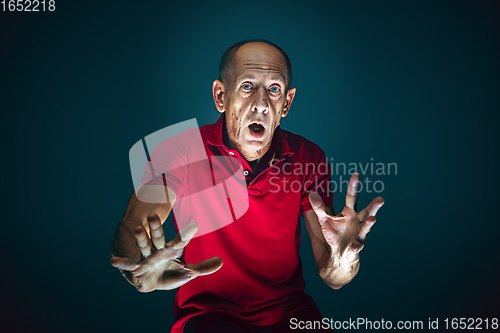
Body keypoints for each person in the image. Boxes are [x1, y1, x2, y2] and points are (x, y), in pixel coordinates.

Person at [110, 39, 385, 332]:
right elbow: (132, 225)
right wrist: (138, 267)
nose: (261, 104)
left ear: (287, 103)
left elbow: (332, 274)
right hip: (208, 316)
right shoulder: (180, 149)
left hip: (289, 315)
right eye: (247, 86)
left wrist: (344, 260)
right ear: (220, 96)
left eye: (274, 89)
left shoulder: (309, 157)